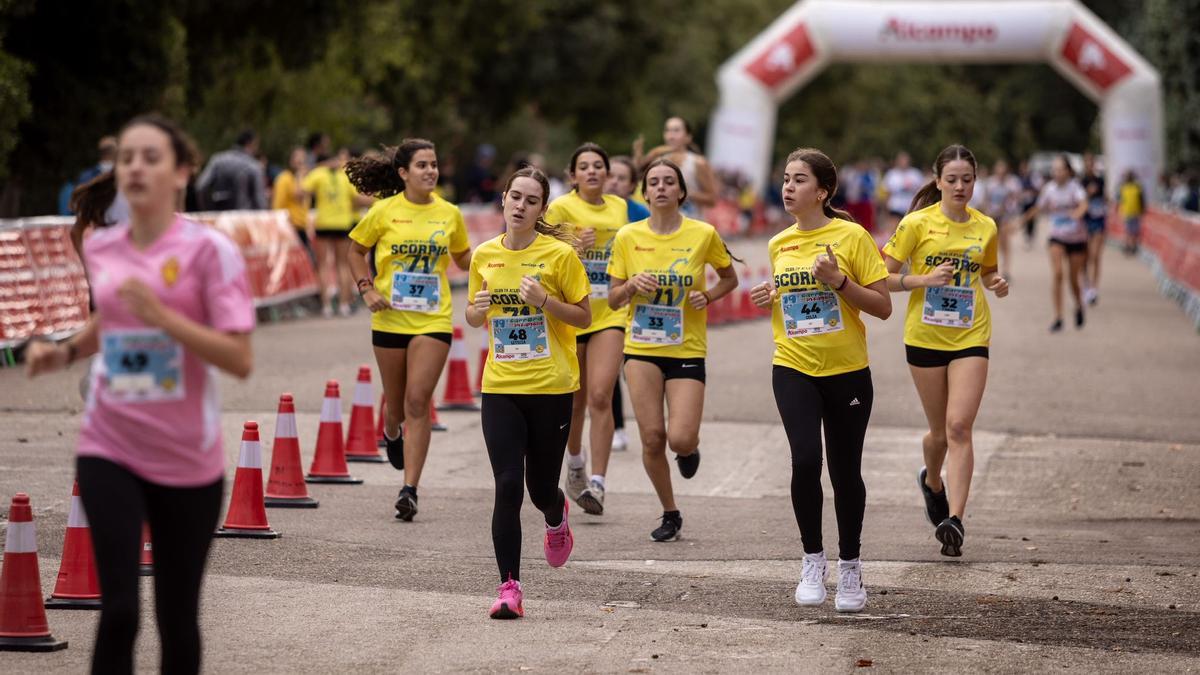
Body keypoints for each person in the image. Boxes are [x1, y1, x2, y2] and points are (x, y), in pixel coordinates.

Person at [26, 114, 254, 673]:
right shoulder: (102, 246)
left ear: (181, 172)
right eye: (126, 157)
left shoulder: (210, 252)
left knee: (177, 618)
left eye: (150, 157)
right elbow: (110, 322)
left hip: (187, 459)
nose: (134, 167)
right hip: (110, 444)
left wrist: (164, 317)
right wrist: (63, 351)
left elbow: (239, 358)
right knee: (120, 610)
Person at [750, 148, 891, 612]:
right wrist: (769, 296)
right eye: (786, 179)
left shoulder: (852, 237)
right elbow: (789, 303)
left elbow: (882, 306)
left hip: (848, 371)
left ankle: (850, 567)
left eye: (799, 180)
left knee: (845, 471)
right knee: (805, 460)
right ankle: (813, 560)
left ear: (823, 191)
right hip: (793, 366)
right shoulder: (779, 244)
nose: (788, 187)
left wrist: (839, 282)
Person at [466, 166, 591, 619]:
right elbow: (474, 315)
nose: (520, 205)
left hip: (552, 386)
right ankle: (509, 587)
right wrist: (476, 312)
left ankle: (556, 514)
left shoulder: (559, 257)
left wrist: (544, 302)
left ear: (541, 209)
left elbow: (584, 317)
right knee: (506, 485)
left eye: (531, 200)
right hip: (501, 385)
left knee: (540, 488)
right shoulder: (484, 255)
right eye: (514, 196)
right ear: (502, 200)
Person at [882, 144, 1008, 558]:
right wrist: (923, 280)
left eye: (967, 179)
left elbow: (987, 271)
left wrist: (996, 283)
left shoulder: (986, 226)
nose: (960, 186)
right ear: (937, 181)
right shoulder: (916, 223)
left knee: (959, 428)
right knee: (938, 433)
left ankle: (954, 519)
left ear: (976, 181)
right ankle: (932, 482)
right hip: (925, 337)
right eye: (951, 179)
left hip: (971, 334)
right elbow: (882, 278)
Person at [607, 158, 739, 542]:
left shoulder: (703, 233)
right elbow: (613, 299)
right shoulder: (628, 236)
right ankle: (670, 511)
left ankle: (688, 451)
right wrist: (631, 286)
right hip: (641, 346)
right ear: (644, 192)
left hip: (686, 346)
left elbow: (729, 277)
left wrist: (707, 295)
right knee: (651, 438)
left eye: (669, 182)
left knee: (680, 438)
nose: (661, 187)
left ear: (681, 191)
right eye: (654, 182)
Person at [345, 139, 471, 521]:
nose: (430, 171)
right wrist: (366, 290)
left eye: (433, 164)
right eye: (422, 165)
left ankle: (409, 489)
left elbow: (464, 257)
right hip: (390, 317)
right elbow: (354, 250)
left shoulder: (449, 214)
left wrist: (498, 256)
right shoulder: (384, 211)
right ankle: (391, 431)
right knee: (396, 406)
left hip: (433, 319)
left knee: (419, 401)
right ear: (403, 173)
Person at [545, 143, 629, 516]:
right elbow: (544, 252)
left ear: (608, 174)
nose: (592, 171)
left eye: (599, 165)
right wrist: (574, 245)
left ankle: (598, 481)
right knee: (576, 400)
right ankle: (575, 463)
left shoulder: (619, 207)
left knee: (600, 394)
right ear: (573, 174)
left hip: (609, 312)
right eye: (585, 166)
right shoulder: (561, 207)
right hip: (573, 310)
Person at [604, 154, 649, 451]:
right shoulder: (586, 210)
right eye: (612, 176)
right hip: (599, 299)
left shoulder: (640, 214)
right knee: (605, 370)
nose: (614, 182)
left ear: (633, 185)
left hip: (632, 300)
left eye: (622, 178)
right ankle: (616, 425)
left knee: (620, 365)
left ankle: (625, 425)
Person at [302, 150, 372, 317]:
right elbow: (356, 199)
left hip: (323, 223)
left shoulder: (317, 173)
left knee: (323, 264)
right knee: (342, 264)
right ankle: (343, 304)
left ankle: (326, 305)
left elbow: (302, 192)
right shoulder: (344, 176)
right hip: (343, 223)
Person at [1023, 155, 1088, 331]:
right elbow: (1038, 207)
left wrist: (1078, 213)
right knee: (1058, 274)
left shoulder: (1075, 187)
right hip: (1057, 236)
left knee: (1074, 279)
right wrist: (1021, 221)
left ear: (1068, 171)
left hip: (1076, 237)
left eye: (1060, 169)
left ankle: (1079, 305)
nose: (1057, 173)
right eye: (1054, 169)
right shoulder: (1049, 189)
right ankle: (1058, 316)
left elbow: (1084, 204)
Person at [634, 117, 720, 216]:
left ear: (688, 137)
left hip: (690, 225)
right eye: (668, 130)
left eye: (676, 130)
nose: (671, 136)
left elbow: (712, 200)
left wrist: (684, 192)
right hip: (661, 225)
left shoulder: (697, 162)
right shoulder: (658, 161)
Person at [195, 129, 267, 211]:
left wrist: (207, 210)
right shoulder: (253, 166)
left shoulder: (217, 160)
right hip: (243, 219)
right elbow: (260, 202)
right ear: (251, 143)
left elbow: (200, 186)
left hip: (218, 218)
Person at [984, 160, 1022, 281]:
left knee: (1005, 243)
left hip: (1005, 217)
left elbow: (1015, 200)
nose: (1001, 173)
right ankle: (990, 269)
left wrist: (1010, 213)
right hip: (992, 217)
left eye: (1003, 171)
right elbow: (985, 200)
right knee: (991, 244)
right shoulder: (990, 183)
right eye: (998, 170)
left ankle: (1006, 270)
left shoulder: (1012, 183)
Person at [273, 147, 315, 255]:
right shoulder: (284, 178)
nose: (301, 161)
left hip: (302, 226)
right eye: (297, 158)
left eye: (303, 158)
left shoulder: (304, 179)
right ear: (290, 160)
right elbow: (278, 205)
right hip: (290, 227)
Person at [1081, 154, 1107, 305]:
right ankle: (1086, 283)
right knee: (1086, 256)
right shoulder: (1080, 182)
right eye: (1087, 163)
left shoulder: (1100, 181)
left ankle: (1094, 288)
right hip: (1084, 222)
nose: (1090, 165)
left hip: (1098, 221)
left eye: (1092, 163)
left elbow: (1104, 199)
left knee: (1096, 255)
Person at [882, 152, 925, 236]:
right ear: (897, 161)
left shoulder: (915, 174)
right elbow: (887, 193)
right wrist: (886, 209)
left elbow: (921, 192)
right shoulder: (892, 174)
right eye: (902, 160)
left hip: (911, 208)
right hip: (895, 207)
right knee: (894, 231)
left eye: (905, 160)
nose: (904, 162)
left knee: (909, 232)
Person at [1118, 170, 1145, 255]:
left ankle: (1133, 246)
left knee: (1135, 231)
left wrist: (1142, 210)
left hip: (1136, 212)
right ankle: (1127, 246)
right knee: (1128, 231)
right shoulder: (1123, 187)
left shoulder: (1138, 187)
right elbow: (1120, 199)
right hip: (1126, 212)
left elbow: (1142, 200)